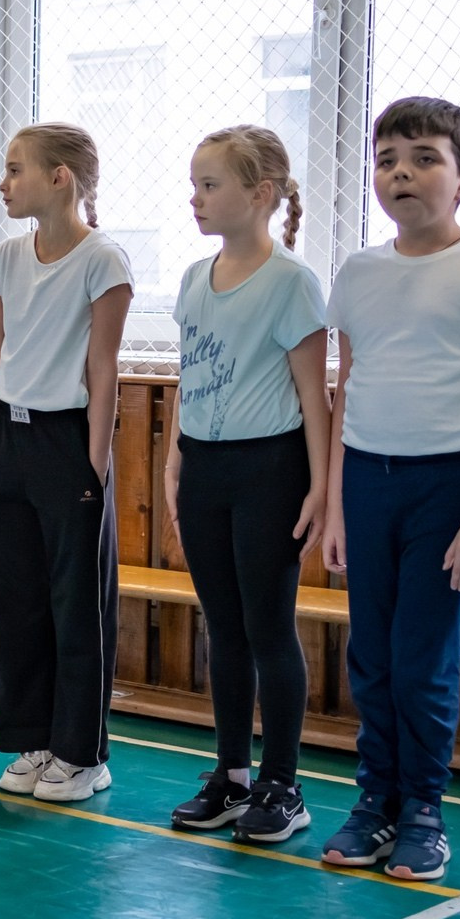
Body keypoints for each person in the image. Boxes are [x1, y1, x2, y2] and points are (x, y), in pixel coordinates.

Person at [318, 97, 460, 882]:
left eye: (422, 158)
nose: (401, 173)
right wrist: (339, 505)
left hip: (451, 485)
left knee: (422, 661)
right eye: (386, 160)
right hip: (370, 483)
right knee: (371, 658)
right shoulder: (358, 270)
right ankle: (373, 800)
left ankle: (422, 810)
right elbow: (349, 387)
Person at [165, 125, 328, 844]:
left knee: (267, 625)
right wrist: (174, 461)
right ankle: (231, 775)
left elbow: (312, 396)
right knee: (221, 626)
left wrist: (321, 487)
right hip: (204, 467)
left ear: (258, 195)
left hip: (270, 469)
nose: (195, 198)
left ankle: (282, 784)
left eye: (210, 184)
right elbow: (186, 379)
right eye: (194, 184)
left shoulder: (290, 282)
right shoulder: (193, 279)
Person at [0, 123, 133, 803]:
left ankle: (81, 753)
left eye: (15, 170)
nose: (3, 184)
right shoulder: (5, 259)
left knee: (76, 605)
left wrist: (92, 466)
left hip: (66, 445)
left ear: (59, 177)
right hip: (5, 439)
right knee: (13, 601)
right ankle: (32, 741)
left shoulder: (103, 261)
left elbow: (103, 368)